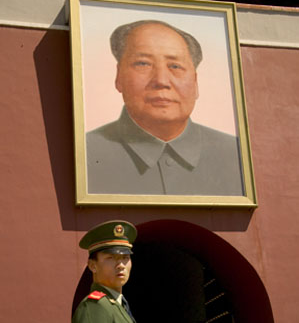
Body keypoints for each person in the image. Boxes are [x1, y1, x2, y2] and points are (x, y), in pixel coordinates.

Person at [86, 20, 244, 196]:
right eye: (143, 64)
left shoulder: (235, 155)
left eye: (175, 66)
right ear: (118, 77)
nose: (161, 81)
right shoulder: (86, 152)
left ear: (196, 83)